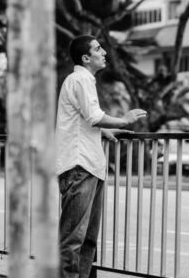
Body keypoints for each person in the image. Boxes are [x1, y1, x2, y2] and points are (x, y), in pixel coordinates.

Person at [56, 34, 147, 278]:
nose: (104, 52)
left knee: (88, 241)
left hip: (90, 167)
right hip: (80, 166)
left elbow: (82, 118)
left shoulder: (80, 80)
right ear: (86, 58)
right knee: (73, 241)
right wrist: (124, 119)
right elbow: (94, 115)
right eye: (98, 49)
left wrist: (105, 130)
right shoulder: (81, 79)